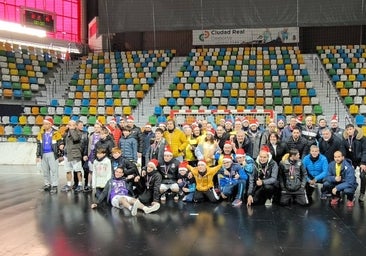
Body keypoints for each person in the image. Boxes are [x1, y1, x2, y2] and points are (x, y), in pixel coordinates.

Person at [90, 167, 160, 216]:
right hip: (115, 197)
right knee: (123, 199)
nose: (117, 173)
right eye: (116, 172)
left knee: (135, 200)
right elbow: (104, 192)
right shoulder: (110, 181)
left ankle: (146, 209)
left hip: (125, 196)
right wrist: (97, 203)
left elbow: (135, 177)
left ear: (122, 174)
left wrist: (135, 176)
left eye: (120, 172)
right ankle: (131, 209)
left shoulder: (125, 181)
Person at [36, 116, 63, 194]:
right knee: (45, 171)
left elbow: (60, 142)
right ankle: (47, 184)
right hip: (43, 154)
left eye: (47, 124)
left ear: (51, 124)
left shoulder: (56, 133)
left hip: (52, 154)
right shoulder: (41, 133)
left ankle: (54, 186)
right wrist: (38, 155)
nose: (45, 125)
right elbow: (38, 145)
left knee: (54, 171)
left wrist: (61, 153)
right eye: (44, 124)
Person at [341, 124, 366, 202]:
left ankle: (362, 193)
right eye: (347, 130)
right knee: (348, 173)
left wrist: (363, 163)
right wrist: (345, 162)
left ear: (354, 129)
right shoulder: (345, 139)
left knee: (362, 175)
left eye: (350, 129)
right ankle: (351, 191)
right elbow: (343, 152)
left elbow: (365, 151)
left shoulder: (362, 138)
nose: (349, 131)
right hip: (351, 160)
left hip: (361, 160)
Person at [60, 120, 84, 193]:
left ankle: (80, 185)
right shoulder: (68, 132)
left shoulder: (78, 132)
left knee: (78, 170)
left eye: (72, 125)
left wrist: (72, 129)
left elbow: (75, 138)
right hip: (67, 154)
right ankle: (68, 184)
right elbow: (63, 136)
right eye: (69, 125)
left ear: (75, 125)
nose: (70, 126)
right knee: (68, 170)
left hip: (75, 154)